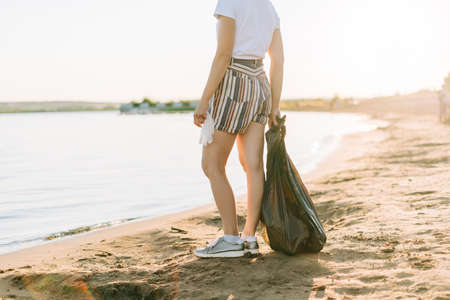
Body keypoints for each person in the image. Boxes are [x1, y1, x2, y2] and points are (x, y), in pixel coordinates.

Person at [192, 0, 284, 258]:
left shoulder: (230, 2)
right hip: (260, 84)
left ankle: (231, 238)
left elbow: (223, 54)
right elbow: (278, 60)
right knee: (253, 165)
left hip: (235, 83)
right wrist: (274, 105)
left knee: (212, 164)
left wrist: (204, 99)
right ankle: (249, 237)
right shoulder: (269, 8)